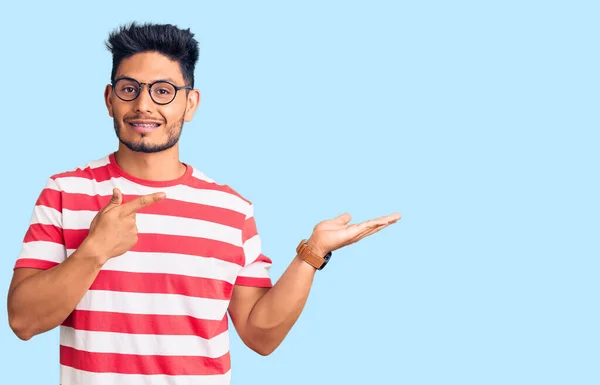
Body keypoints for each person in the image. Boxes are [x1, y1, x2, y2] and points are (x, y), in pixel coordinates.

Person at [7, 22, 401, 385]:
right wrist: (93, 251)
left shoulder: (232, 210)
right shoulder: (64, 191)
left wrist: (312, 254)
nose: (144, 104)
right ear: (110, 99)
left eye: (163, 90)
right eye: (129, 88)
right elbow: (23, 321)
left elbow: (260, 335)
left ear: (190, 104)